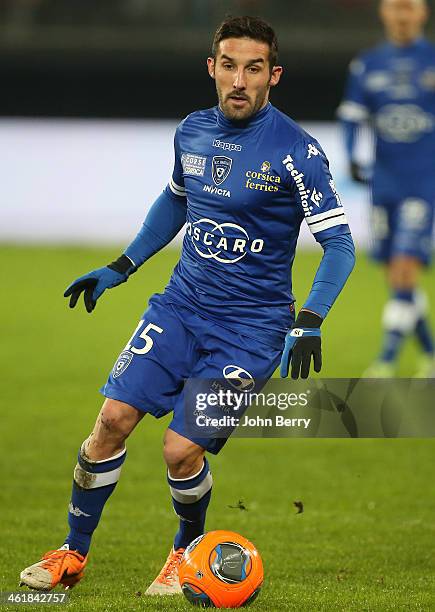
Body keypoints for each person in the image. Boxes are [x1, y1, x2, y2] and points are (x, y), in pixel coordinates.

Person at [20, 16, 355, 596]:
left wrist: (310, 320)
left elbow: (339, 244)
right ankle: (72, 554)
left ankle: (184, 554)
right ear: (212, 67)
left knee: (180, 450)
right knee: (110, 423)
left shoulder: (297, 152)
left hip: (251, 330)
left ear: (273, 75)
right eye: (229, 65)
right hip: (179, 307)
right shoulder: (193, 132)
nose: (240, 80)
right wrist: (122, 266)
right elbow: (175, 201)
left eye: (254, 68)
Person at [338, 0, 435, 377]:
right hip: (385, 184)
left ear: (423, 13)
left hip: (423, 183)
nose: (402, 15)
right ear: (383, 13)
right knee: (396, 277)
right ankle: (429, 354)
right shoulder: (368, 64)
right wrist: (349, 157)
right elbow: (351, 115)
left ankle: (387, 360)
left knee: (404, 268)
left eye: (409, 7)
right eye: (395, 7)